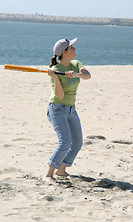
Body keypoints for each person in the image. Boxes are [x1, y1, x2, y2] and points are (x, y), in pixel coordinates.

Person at [43, 38, 91, 184]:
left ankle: (61, 170)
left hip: (71, 109)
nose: (75, 49)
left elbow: (88, 75)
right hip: (57, 109)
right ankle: (48, 175)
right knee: (65, 142)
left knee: (77, 143)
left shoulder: (75, 64)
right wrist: (55, 78)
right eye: (72, 48)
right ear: (64, 52)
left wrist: (75, 74)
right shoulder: (56, 70)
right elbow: (60, 95)